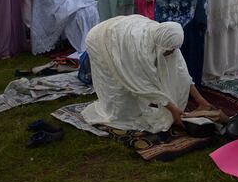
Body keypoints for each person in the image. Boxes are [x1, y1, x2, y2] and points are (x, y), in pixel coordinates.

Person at [82, 16, 213, 133]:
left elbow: (181, 71)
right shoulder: (140, 51)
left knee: (133, 106)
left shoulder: (168, 39)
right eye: (169, 51)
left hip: (120, 34)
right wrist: (173, 109)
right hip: (100, 39)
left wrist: (200, 100)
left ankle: (125, 110)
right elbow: (142, 84)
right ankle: (111, 112)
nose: (171, 53)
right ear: (161, 46)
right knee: (117, 90)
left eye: (173, 50)